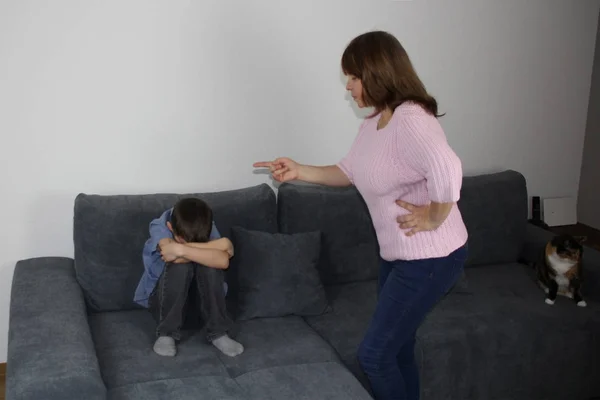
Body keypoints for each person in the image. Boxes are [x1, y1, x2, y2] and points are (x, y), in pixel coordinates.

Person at [253, 30, 468, 400]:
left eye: (353, 77)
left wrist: (434, 216)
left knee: (374, 355)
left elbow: (448, 167)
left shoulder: (411, 117)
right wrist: (299, 170)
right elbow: (349, 171)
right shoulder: (374, 124)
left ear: (378, 72)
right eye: (348, 78)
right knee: (397, 348)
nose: (349, 87)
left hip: (430, 258)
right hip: (399, 257)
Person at [133, 197, 244, 358]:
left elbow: (223, 261)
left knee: (210, 267)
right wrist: (219, 246)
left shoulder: (203, 224)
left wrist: (180, 248)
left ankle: (218, 333)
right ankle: (167, 333)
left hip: (201, 306)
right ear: (171, 227)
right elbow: (169, 254)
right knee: (181, 266)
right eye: (181, 241)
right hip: (164, 303)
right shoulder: (160, 226)